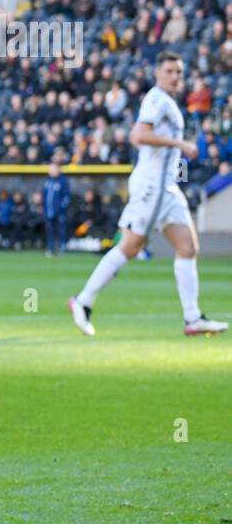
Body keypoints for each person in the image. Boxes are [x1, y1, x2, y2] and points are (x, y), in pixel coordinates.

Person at [70, 52, 226, 336]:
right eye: (169, 71)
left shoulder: (168, 102)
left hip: (166, 187)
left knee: (187, 247)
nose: (175, 76)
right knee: (131, 246)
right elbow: (138, 136)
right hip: (152, 187)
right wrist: (179, 143)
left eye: (178, 72)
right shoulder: (155, 99)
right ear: (157, 73)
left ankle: (192, 318)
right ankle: (84, 301)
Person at [42, 161, 71, 255]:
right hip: (48, 211)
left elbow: (66, 197)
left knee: (60, 229)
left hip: (59, 212)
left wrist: (61, 208)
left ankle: (61, 246)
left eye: (53, 169)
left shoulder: (63, 181)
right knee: (49, 230)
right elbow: (44, 196)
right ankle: (50, 247)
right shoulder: (47, 181)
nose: (51, 171)